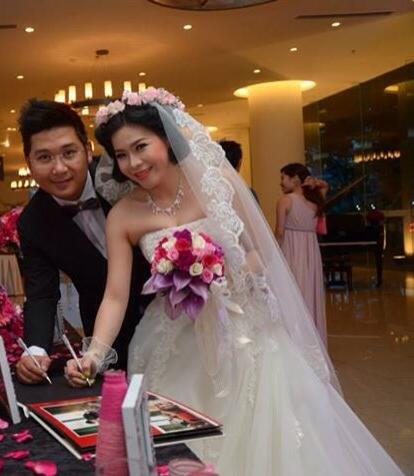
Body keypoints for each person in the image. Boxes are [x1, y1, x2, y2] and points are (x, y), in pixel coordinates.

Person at [65, 88, 403, 475]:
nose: (133, 163)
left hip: (244, 331)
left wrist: (225, 273)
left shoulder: (217, 183)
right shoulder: (123, 215)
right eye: (121, 155)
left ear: (168, 138)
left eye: (141, 147)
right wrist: (94, 353)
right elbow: (115, 295)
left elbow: (260, 251)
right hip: (173, 340)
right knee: (180, 448)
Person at [14, 99, 151, 384]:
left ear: (87, 150)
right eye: (44, 157)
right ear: (29, 163)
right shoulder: (33, 222)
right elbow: (41, 293)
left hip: (170, 313)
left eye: (69, 153)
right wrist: (35, 350)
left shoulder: (125, 177)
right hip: (105, 335)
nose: (59, 168)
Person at [275, 163, 328, 345]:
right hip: (311, 255)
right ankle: (312, 344)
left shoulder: (285, 201)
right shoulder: (315, 203)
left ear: (295, 179)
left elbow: (279, 232)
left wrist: (272, 257)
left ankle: (295, 344)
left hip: (291, 252)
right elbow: (325, 186)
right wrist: (315, 183)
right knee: (309, 296)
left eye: (283, 178)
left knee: (292, 296)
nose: (281, 182)